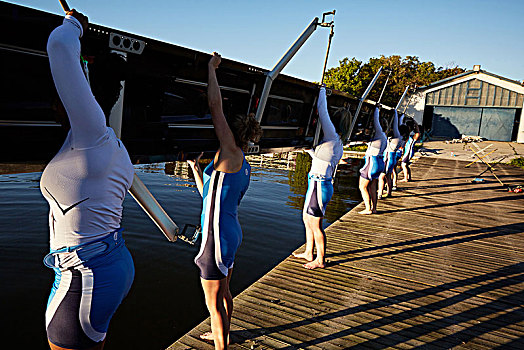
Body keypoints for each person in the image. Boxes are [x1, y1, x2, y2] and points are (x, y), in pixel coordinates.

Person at [41, 10, 135, 350]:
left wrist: (74, 23)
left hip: (84, 273)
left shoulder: (90, 134)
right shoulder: (114, 147)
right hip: (107, 263)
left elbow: (59, 45)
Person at [186, 52, 262, 350]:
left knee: (212, 301)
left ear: (233, 132)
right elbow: (212, 196)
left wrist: (211, 68)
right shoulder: (240, 163)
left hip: (216, 238)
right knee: (224, 292)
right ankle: (224, 335)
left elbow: (214, 105)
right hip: (229, 233)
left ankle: (221, 344)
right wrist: (195, 169)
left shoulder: (229, 150)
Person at [292, 86, 348, 269]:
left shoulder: (331, 136)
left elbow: (322, 111)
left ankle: (320, 260)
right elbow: (321, 159)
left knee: (316, 224)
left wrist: (322, 92)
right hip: (315, 183)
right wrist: (310, 151)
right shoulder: (335, 142)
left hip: (319, 185)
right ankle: (309, 252)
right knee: (306, 219)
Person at [358, 106, 387, 214]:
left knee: (362, 186)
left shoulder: (378, 133)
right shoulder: (383, 136)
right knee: (373, 187)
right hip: (379, 162)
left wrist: (376, 110)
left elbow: (376, 120)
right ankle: (374, 208)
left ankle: (368, 208)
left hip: (372, 162)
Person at [378, 109, 401, 198]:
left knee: (382, 177)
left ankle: (380, 193)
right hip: (391, 158)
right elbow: (396, 126)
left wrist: (395, 114)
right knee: (388, 176)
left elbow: (396, 125)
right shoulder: (399, 139)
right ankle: (389, 193)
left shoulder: (396, 137)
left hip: (387, 159)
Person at [400, 117, 421, 182]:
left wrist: (415, 122)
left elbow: (418, 132)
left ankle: (406, 178)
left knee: (403, 164)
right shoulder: (408, 134)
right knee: (406, 164)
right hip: (407, 151)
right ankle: (409, 177)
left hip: (409, 151)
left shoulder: (412, 135)